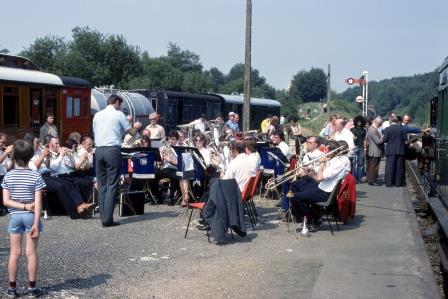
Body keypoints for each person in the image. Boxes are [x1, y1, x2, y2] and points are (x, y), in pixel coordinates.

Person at [2, 139, 46, 298]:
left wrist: (21, 207)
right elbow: (39, 202)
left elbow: (5, 201)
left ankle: (12, 289)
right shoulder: (35, 176)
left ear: (13, 156)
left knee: (14, 253)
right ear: (31, 156)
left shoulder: (8, 176)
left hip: (15, 216)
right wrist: (35, 221)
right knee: (31, 253)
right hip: (30, 216)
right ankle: (32, 289)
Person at [290, 140, 351, 230]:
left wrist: (322, 164)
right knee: (296, 190)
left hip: (325, 193)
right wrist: (310, 171)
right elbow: (319, 175)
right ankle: (314, 218)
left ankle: (310, 220)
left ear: (332, 151)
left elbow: (319, 178)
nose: (324, 153)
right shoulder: (334, 160)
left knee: (294, 197)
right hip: (322, 187)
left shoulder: (339, 162)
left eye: (326, 151)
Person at [93, 95, 131, 227]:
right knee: (112, 184)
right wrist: (136, 126)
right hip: (112, 150)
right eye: (120, 104)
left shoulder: (97, 115)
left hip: (99, 150)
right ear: (116, 102)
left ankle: (103, 216)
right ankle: (108, 220)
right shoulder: (119, 114)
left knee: (102, 184)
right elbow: (130, 132)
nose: (120, 107)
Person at [381, 114, 407, 187]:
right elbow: (405, 139)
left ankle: (389, 183)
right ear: (398, 121)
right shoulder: (402, 129)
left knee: (389, 167)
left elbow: (385, 140)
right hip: (400, 150)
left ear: (391, 121)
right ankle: (398, 183)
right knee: (399, 167)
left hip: (390, 150)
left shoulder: (387, 129)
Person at [366, 117, 384, 186]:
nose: (380, 125)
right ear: (377, 123)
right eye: (380, 124)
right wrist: (383, 137)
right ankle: (372, 180)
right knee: (374, 166)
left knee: (373, 166)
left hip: (374, 150)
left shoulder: (371, 128)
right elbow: (378, 141)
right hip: (375, 151)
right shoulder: (373, 130)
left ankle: (372, 179)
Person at [350, 115, 367, 183]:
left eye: (360, 122)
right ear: (355, 122)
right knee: (353, 163)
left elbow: (365, 140)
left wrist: (365, 149)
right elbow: (350, 139)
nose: (359, 123)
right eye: (358, 122)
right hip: (354, 147)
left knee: (361, 163)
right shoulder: (352, 130)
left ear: (362, 122)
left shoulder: (364, 130)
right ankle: (354, 178)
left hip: (361, 147)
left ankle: (360, 177)